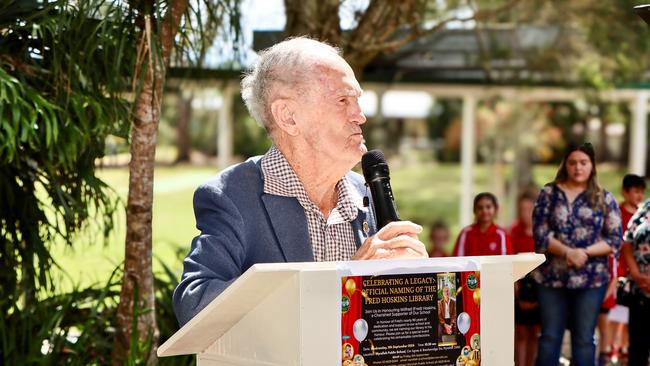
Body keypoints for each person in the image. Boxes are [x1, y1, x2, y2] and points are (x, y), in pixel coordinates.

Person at [172, 37, 428, 326]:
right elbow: (194, 304)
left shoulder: (365, 193)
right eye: (343, 100)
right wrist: (341, 284)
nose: (361, 116)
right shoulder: (232, 196)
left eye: (358, 100)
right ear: (289, 116)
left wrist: (420, 284)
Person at [531, 142, 622, 366]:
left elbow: (614, 238)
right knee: (550, 336)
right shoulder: (549, 193)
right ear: (565, 164)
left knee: (584, 339)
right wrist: (567, 252)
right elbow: (540, 233)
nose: (578, 167)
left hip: (591, 279)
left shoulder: (604, 198)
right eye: (573, 162)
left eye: (583, 162)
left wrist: (584, 252)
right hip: (551, 278)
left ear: (592, 166)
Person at [605, 174, 646, 363]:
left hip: (637, 275)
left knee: (629, 320)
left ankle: (623, 346)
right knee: (616, 311)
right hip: (621, 271)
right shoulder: (619, 213)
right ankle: (610, 346)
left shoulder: (642, 211)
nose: (639, 195)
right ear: (625, 192)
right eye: (635, 191)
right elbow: (622, 243)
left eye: (641, 192)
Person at [510, 189, 540, 366]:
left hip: (538, 289)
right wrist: (517, 293)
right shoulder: (513, 233)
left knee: (535, 332)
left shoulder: (542, 233)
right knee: (520, 332)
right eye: (522, 209)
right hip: (518, 289)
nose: (525, 213)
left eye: (529, 209)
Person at [621, 197, 650, 366]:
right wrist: (636, 274)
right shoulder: (646, 206)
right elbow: (627, 241)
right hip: (640, 290)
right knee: (637, 350)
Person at [452, 192, 513, 257]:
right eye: (480, 208)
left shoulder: (501, 235)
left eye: (488, 207)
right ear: (474, 211)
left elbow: (506, 262)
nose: (484, 211)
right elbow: (457, 260)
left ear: (496, 209)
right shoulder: (466, 233)